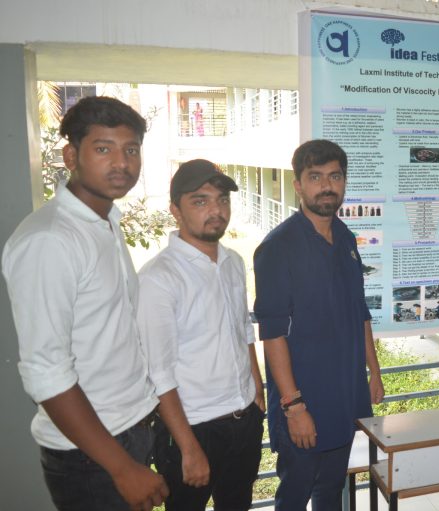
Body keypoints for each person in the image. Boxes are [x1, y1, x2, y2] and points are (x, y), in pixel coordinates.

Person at [1, 96, 168, 510]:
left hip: (128, 430)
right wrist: (122, 468)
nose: (122, 162)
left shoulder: (105, 221)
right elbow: (46, 372)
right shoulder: (50, 240)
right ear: (71, 156)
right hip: (94, 455)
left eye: (131, 149)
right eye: (103, 148)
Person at [253, 139, 385, 510]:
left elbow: (359, 310)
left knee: (331, 492)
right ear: (298, 185)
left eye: (334, 176)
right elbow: (272, 334)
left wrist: (374, 371)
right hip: (304, 400)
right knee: (295, 495)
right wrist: (295, 407)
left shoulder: (345, 238)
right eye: (315, 177)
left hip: (345, 394)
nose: (326, 186)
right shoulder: (277, 248)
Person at [137, 159, 266, 511]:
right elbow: (158, 372)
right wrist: (189, 448)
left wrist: (257, 391)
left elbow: (242, 329)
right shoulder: (158, 279)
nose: (216, 210)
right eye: (200, 201)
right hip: (193, 429)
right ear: (175, 210)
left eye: (222, 199)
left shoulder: (232, 262)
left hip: (244, 419)